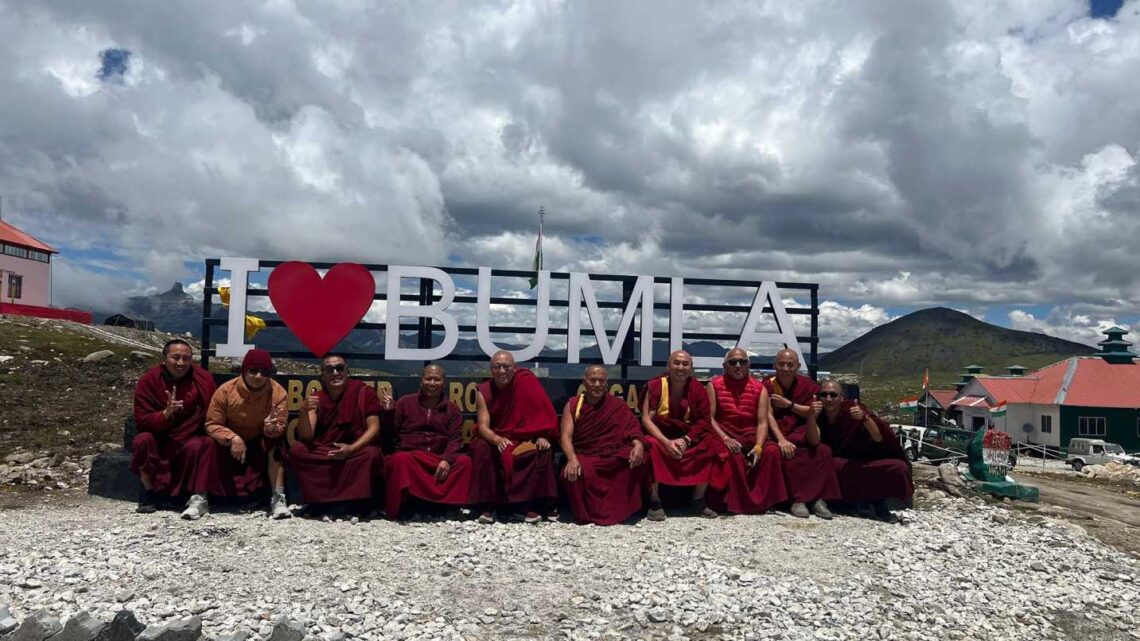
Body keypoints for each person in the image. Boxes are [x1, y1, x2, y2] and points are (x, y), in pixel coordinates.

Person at [289, 354, 388, 515]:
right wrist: (303, 412)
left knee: (372, 454)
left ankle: (354, 502)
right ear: (323, 375)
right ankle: (319, 501)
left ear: (347, 372)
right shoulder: (317, 398)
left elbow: (374, 428)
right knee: (298, 450)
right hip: (326, 450)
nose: (335, 373)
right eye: (329, 369)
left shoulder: (364, 392)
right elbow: (307, 437)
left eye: (340, 368)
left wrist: (351, 449)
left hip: (354, 450)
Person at [131, 339, 219, 519]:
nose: (181, 363)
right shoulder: (149, 381)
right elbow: (142, 420)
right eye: (176, 357)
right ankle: (149, 495)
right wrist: (165, 414)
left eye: (186, 358)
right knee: (142, 440)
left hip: (190, 435)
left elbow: (214, 411)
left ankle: (192, 496)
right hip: (160, 436)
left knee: (203, 443)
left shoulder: (203, 379)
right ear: (164, 359)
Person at [469, 350, 559, 524]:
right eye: (497, 367)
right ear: (490, 370)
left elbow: (542, 415)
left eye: (506, 366)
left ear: (515, 368)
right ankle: (488, 506)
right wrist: (497, 440)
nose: (502, 371)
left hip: (525, 436)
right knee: (481, 448)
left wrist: (542, 435)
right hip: (497, 435)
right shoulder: (484, 391)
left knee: (539, 450)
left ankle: (526, 506)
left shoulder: (526, 382)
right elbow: (483, 427)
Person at [204, 348, 290, 519]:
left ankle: (278, 498)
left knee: (277, 446)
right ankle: (200, 496)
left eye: (264, 372)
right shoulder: (226, 390)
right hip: (230, 441)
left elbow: (279, 425)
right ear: (244, 370)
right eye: (253, 370)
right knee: (205, 445)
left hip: (259, 439)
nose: (258, 376)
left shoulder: (278, 393)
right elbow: (212, 423)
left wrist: (271, 429)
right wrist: (232, 437)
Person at [559, 365, 649, 525]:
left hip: (612, 453)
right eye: (593, 380)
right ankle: (586, 515)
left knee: (638, 461)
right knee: (573, 473)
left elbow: (632, 430)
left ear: (606, 383)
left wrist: (638, 445)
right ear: (584, 382)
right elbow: (565, 436)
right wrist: (572, 459)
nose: (597, 384)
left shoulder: (617, 405)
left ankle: (623, 511)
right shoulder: (574, 405)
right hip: (586, 454)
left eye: (601, 381)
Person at [384, 364, 473, 519]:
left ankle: (447, 506)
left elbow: (456, 438)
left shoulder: (451, 408)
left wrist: (447, 459)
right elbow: (390, 432)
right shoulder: (405, 402)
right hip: (413, 455)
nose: (432, 383)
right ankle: (409, 505)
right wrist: (388, 412)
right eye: (428, 379)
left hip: (439, 456)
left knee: (464, 463)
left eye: (436, 379)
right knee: (399, 459)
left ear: (443, 383)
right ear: (421, 381)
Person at [817, 380, 913, 523]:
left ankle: (878, 502)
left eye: (833, 395)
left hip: (863, 459)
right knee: (836, 465)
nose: (829, 399)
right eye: (824, 395)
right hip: (835, 463)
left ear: (842, 397)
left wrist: (864, 418)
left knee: (897, 467)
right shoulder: (817, 415)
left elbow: (879, 437)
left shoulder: (854, 410)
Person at [705, 348, 787, 514]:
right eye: (733, 362)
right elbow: (709, 418)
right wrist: (725, 438)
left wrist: (759, 445)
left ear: (748, 365)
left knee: (772, 452)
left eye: (742, 362)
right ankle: (735, 502)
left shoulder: (759, 388)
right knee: (731, 455)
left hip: (751, 434)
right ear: (725, 366)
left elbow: (762, 422)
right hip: (726, 433)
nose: (738, 365)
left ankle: (764, 500)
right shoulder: (714, 385)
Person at [641, 350, 720, 521]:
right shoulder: (655, 385)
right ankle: (654, 500)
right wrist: (666, 442)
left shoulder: (698, 388)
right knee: (650, 445)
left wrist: (686, 440)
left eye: (685, 364)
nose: (680, 367)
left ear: (691, 368)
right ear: (668, 366)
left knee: (711, 443)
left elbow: (704, 421)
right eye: (676, 363)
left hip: (686, 436)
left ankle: (698, 498)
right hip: (661, 435)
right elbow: (647, 420)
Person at [762, 348, 840, 519]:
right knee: (786, 452)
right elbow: (766, 414)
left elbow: (813, 410)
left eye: (790, 365)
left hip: (801, 431)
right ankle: (797, 500)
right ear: (775, 366)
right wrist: (781, 439)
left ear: (797, 367)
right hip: (777, 433)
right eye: (781, 364)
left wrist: (789, 405)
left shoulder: (808, 385)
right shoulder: (768, 385)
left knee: (823, 451)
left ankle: (819, 499)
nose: (785, 368)